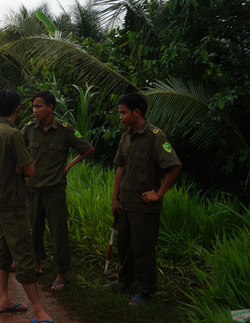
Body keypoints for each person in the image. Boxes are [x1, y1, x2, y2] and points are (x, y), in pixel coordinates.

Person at [110, 92, 181, 305]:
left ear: (136, 112)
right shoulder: (125, 136)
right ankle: (125, 279)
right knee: (125, 245)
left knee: (143, 249)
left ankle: (145, 290)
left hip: (144, 207)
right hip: (126, 204)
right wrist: (115, 198)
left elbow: (174, 166)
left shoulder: (155, 136)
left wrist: (158, 194)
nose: (120, 117)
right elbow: (120, 168)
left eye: (123, 113)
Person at [0, 89, 53, 323]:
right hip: (13, 203)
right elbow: (30, 170)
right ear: (18, 108)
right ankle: (38, 310)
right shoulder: (13, 134)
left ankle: (3, 299)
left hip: (0, 199)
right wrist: (23, 166)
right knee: (24, 255)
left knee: (3, 252)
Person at [22, 91, 94, 291]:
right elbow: (18, 148)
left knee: (58, 233)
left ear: (50, 107)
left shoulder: (64, 129)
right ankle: (37, 264)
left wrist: (69, 165)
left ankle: (61, 271)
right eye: (33, 107)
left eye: (38, 106)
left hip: (55, 191)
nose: (34, 111)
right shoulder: (29, 129)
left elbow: (87, 148)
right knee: (34, 229)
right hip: (34, 189)